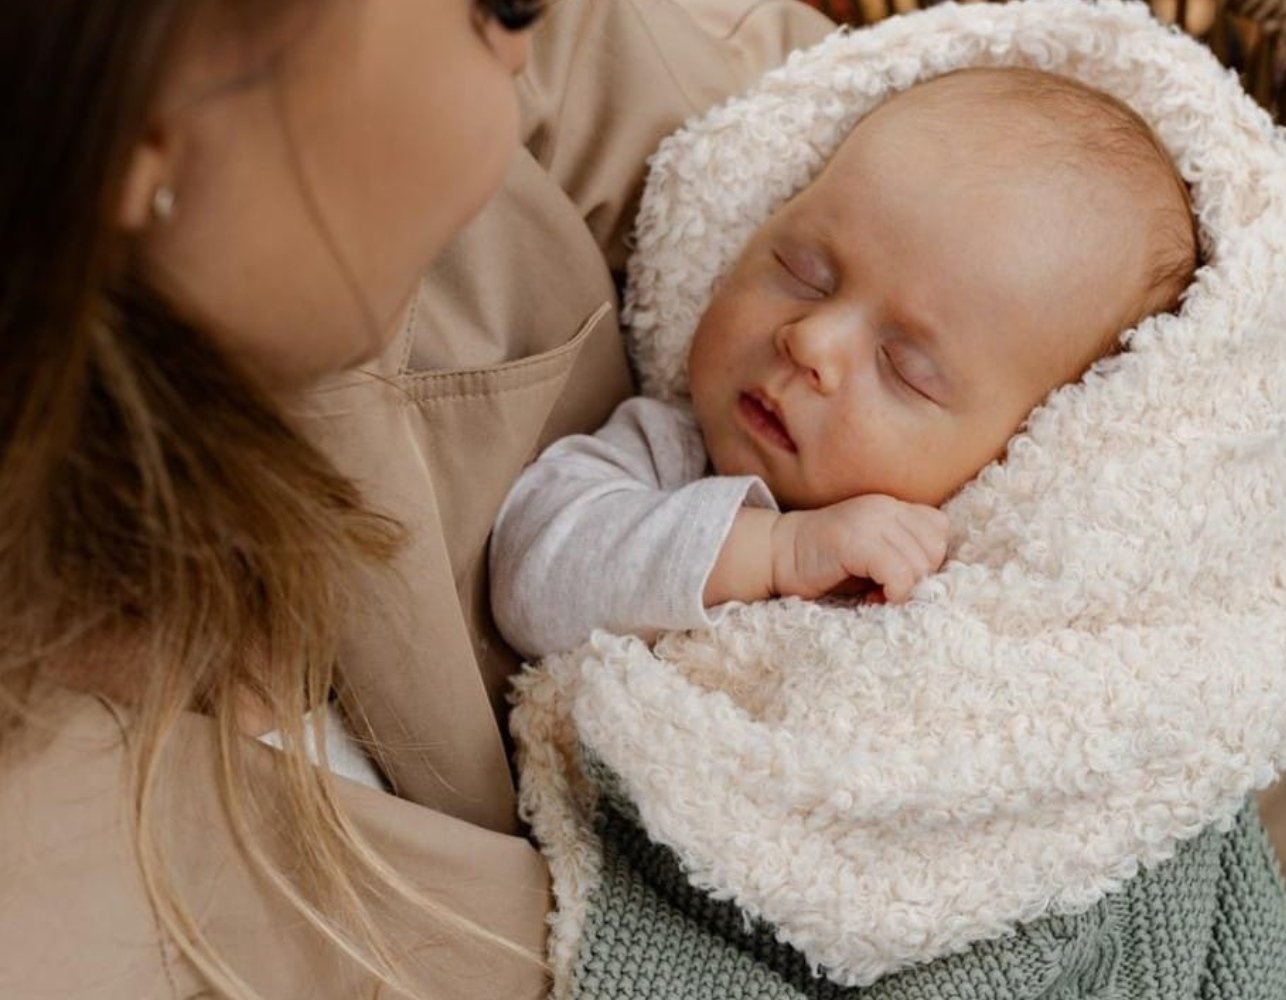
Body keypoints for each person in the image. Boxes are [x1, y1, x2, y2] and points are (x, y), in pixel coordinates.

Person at [0, 0, 829, 996]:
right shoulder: (61, 901)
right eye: (501, 10)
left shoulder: (561, 66)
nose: (536, 27)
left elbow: (977, 182)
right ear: (136, 130)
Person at [491, 67, 1197, 658]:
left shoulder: (1009, 588)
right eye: (804, 272)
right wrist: (775, 549)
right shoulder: (670, 454)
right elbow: (531, 577)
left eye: (904, 368)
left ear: (1025, 448)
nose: (811, 341)